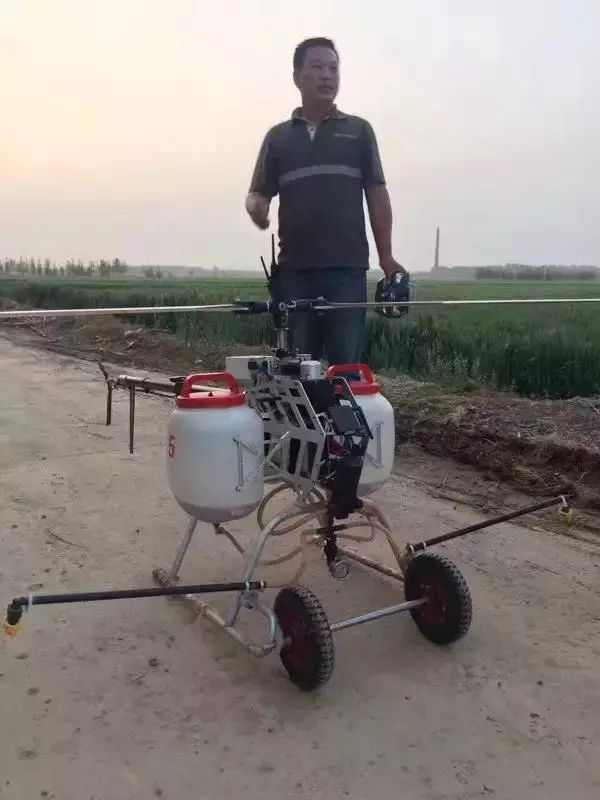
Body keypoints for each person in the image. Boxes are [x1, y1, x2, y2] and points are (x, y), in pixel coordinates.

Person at [245, 36, 407, 366]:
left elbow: (377, 193)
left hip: (347, 272)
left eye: (334, 68)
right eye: (318, 67)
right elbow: (257, 193)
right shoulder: (278, 138)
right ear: (297, 77)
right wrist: (256, 208)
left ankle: (341, 402)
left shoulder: (359, 131)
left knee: (344, 371)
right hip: (294, 273)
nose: (327, 76)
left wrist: (386, 256)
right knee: (297, 370)